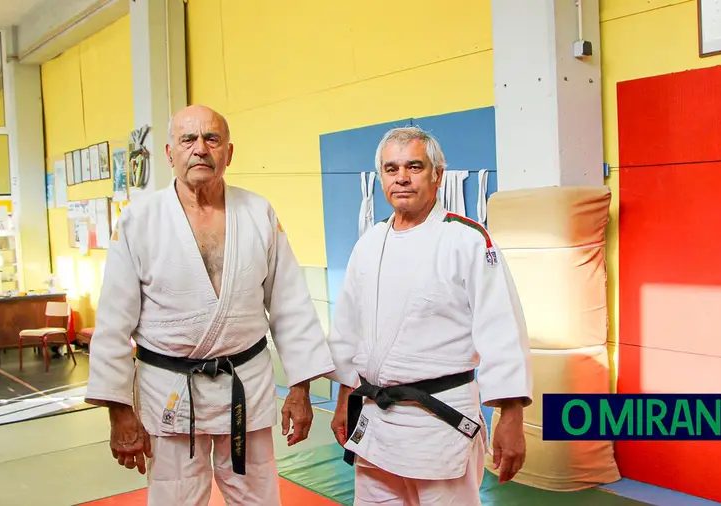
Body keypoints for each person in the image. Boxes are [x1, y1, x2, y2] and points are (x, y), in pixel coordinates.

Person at [85, 104, 336, 505]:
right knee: (174, 500)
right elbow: (114, 322)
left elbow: (291, 305)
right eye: (188, 139)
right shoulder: (139, 220)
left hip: (245, 384)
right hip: (169, 389)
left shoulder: (258, 212)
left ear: (228, 153)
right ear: (170, 153)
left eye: (211, 139)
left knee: (258, 497)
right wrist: (119, 410)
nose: (200, 149)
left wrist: (301, 388)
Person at [326, 126, 533, 505]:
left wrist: (511, 416)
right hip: (376, 420)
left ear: (437, 175)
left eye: (414, 167)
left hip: (439, 421)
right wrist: (344, 399)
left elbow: (501, 329)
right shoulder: (369, 243)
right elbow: (347, 332)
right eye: (391, 169)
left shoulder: (467, 239)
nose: (401, 178)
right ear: (381, 178)